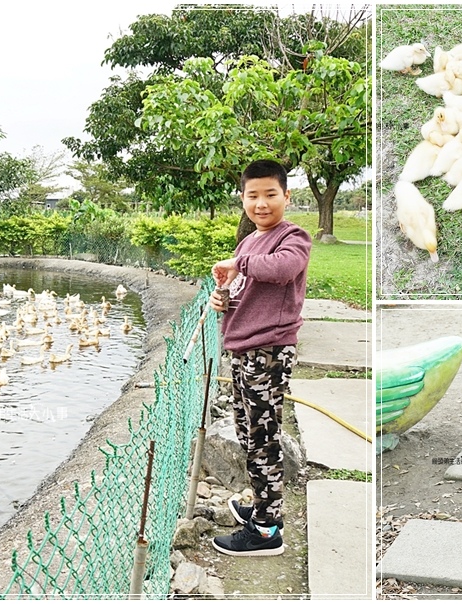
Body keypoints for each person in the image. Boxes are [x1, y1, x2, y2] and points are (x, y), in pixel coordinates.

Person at [207, 159, 311, 556]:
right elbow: (244, 289)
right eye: (253, 195)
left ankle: (267, 531)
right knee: (249, 434)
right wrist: (223, 299)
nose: (261, 203)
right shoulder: (248, 241)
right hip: (244, 349)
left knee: (264, 440)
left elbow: (283, 269)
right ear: (243, 198)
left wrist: (239, 263)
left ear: (286, 196)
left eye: (271, 194)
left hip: (269, 350)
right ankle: (261, 506)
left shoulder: (293, 237)